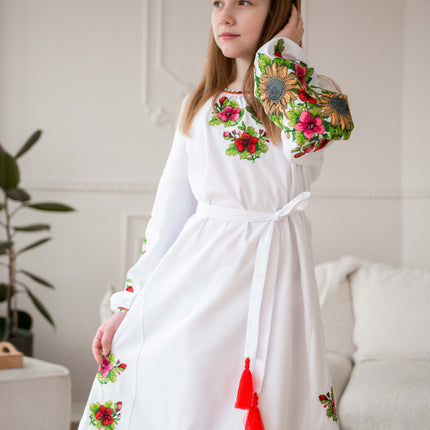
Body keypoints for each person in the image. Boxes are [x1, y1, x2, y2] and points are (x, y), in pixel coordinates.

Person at [78, 1, 354, 429]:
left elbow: (304, 138)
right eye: (217, 3)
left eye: (244, 2)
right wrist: (127, 305)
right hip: (199, 284)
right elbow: (169, 215)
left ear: (282, 11)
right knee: (191, 400)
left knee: (278, 399)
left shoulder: (316, 97)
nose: (224, 16)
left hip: (276, 281)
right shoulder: (200, 104)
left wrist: (279, 56)